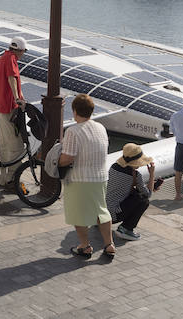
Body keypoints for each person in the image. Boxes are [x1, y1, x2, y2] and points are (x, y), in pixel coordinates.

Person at [60, 94, 115, 259]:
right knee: (101, 211)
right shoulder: (100, 127)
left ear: (75, 111)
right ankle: (109, 244)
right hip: (100, 177)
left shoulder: (73, 131)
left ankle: (84, 246)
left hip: (80, 179)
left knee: (79, 213)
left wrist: (57, 163)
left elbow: (68, 157)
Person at [106, 144, 159, 241]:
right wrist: (152, 174)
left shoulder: (113, 167)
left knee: (137, 195)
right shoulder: (135, 175)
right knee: (144, 201)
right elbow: (148, 194)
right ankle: (125, 229)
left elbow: (122, 188)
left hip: (102, 212)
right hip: (114, 215)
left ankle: (101, 224)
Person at [0, 37, 27, 189]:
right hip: (9, 108)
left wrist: (20, 94)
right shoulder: (11, 59)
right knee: (16, 146)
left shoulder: (1, 59)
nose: (23, 55)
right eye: (23, 52)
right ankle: (12, 180)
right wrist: (17, 98)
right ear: (19, 50)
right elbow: (11, 78)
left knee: (4, 144)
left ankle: (3, 177)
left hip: (1, 107)